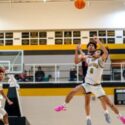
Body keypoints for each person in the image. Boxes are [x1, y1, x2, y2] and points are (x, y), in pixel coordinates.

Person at [54, 36, 125, 125]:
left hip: (97, 87)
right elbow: (81, 57)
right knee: (73, 91)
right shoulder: (89, 59)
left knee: (110, 104)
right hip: (87, 85)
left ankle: (120, 117)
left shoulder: (100, 61)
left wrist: (98, 41)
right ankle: (64, 106)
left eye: (98, 52)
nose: (96, 52)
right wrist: (78, 49)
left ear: (100, 55)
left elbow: (106, 52)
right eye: (96, 51)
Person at [74, 41, 110, 125]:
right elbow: (77, 60)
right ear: (87, 48)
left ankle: (106, 112)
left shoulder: (98, 55)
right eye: (89, 45)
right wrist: (78, 50)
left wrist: (103, 46)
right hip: (86, 81)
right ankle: (88, 119)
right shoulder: (85, 56)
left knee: (102, 98)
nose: (90, 46)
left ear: (95, 48)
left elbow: (104, 53)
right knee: (87, 101)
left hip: (96, 81)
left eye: (92, 45)